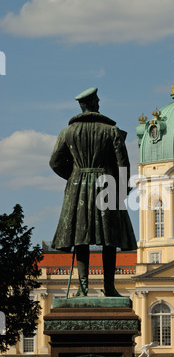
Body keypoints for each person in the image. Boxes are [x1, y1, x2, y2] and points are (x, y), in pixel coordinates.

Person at [49, 87, 137, 297]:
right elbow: (123, 165)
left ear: (82, 106)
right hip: (107, 185)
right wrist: (122, 189)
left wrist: (72, 177)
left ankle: (82, 287)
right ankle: (109, 287)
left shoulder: (67, 132)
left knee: (81, 238)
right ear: (96, 103)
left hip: (78, 186)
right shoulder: (111, 131)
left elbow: (54, 162)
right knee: (110, 238)